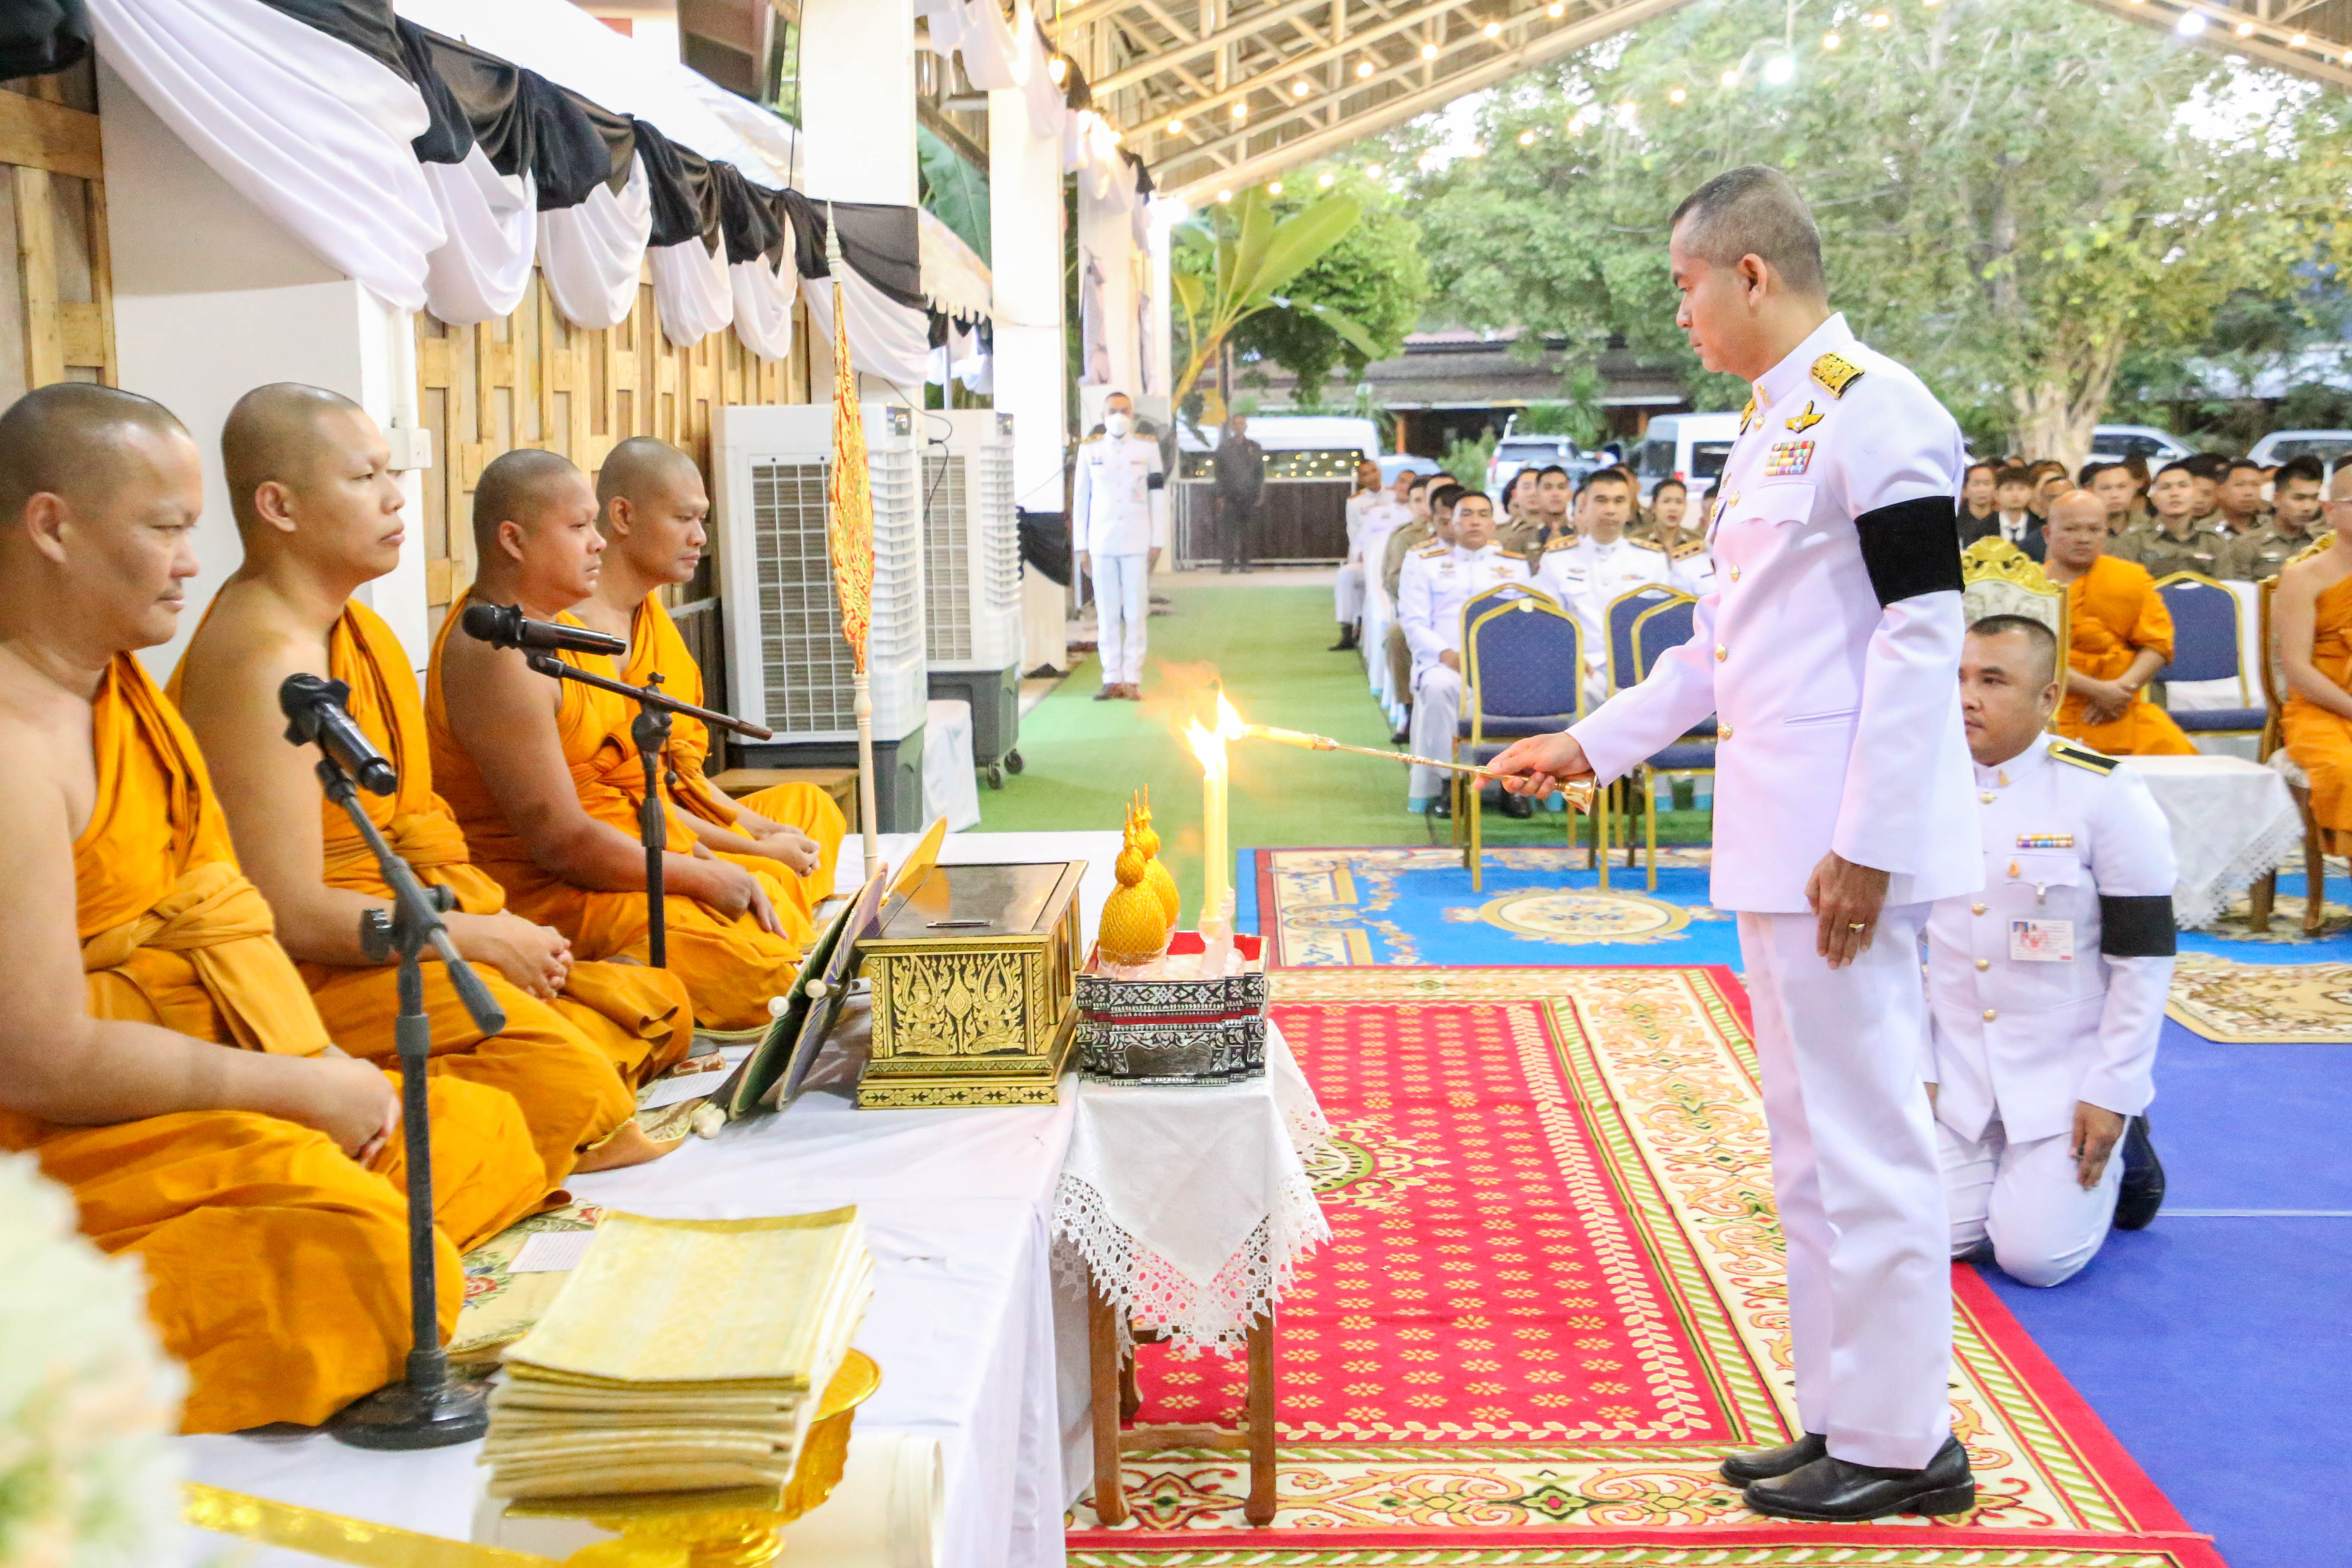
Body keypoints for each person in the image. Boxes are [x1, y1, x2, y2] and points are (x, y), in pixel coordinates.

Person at [1490, 166, 1980, 1521]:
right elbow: (1722, 650)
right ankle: (1849, 1415)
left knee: (1872, 1137)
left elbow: (1923, 629)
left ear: (1750, 273)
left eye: (1687, 284)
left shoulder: (1884, 411)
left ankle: (1904, 1445)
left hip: (1844, 846)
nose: (1684, 311)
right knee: (1809, 1146)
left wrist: (1870, 839)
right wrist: (1591, 743)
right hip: (1780, 836)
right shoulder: (1771, 428)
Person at [0, 382, 545, 1433]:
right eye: (164, 529)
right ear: (52, 527)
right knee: (382, 1268)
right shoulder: (18, 748)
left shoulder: (109, 694)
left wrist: (307, 1083)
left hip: (201, 1062)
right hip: (68, 1129)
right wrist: (297, 1086)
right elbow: (41, 1060)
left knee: (472, 1134)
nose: (192, 560)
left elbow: (213, 911)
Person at [171, 384, 688, 1185]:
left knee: (650, 1008)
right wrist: (473, 937)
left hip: (420, 914)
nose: (394, 496)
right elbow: (288, 912)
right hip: (328, 964)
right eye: (363, 479)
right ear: (278, 505)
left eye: (390, 472)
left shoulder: (358, 628)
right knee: (572, 1084)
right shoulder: (263, 658)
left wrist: (486, 928)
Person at [428, 449, 807, 1032]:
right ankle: (599, 988)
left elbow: (636, 787)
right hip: (545, 886)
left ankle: (634, 985)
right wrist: (706, 873)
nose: (598, 541)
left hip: (624, 853)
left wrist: (709, 857)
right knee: (762, 974)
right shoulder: (496, 657)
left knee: (765, 905)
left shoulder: (561, 635)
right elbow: (562, 843)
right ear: (513, 540)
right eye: (579, 527)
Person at [1927, 616, 2173, 1287]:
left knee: (2036, 1260)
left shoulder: (2102, 792)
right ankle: (2019, 1175)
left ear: (2050, 698)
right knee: (1922, 1236)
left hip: (2064, 1078)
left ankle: (2131, 1151)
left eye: (1993, 680)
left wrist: (2114, 1089)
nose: (1967, 697)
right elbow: (1897, 952)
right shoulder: (1921, 789)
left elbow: (2144, 959)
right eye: (1959, 678)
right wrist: (1918, 1066)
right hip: (1963, 1080)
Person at [576, 436, 846, 937]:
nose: (700, 537)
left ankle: (778, 911)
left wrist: (762, 827)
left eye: (703, 520)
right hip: (631, 846)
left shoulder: (650, 620)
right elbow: (625, 806)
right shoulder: (573, 632)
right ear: (622, 517)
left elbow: (681, 781)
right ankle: (778, 920)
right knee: (765, 886)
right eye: (684, 519)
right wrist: (758, 849)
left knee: (810, 809)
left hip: (678, 819)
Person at [1401, 490, 1531, 819]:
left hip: (1499, 662)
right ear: (1452, 523)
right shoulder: (1425, 563)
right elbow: (1414, 621)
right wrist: (1446, 654)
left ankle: (1509, 784)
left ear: (1493, 524)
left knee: (1521, 688)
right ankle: (1451, 781)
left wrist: (1501, 657)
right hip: (1445, 660)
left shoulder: (1513, 566)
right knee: (1438, 688)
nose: (1475, 521)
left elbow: (1524, 620)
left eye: (1483, 514)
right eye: (1467, 515)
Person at [2040, 490, 2196, 756]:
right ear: (2048, 534)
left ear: (2106, 533)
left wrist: (2121, 691)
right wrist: (2098, 691)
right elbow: (2029, 660)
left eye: (2094, 530)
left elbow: (2157, 645)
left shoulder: (2131, 578)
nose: (2083, 539)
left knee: (2181, 763)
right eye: (2071, 529)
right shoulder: (2030, 587)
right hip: (2052, 709)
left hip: (2122, 706)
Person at [1535, 468, 1672, 702]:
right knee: (1580, 692)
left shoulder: (1652, 559)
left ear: (1629, 509)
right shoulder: (1557, 560)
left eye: (1619, 501)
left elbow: (1659, 624)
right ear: (1584, 506)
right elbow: (1547, 622)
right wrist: (1570, 658)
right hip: (1582, 666)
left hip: (1637, 669)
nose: (1610, 509)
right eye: (1601, 501)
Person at [2273, 466, 2352, 851]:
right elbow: (2298, 670)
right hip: (2322, 710)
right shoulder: (2303, 577)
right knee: (2344, 769)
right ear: (2330, 510)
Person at [1074, 390, 1165, 700]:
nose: (1119, 416)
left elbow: (1158, 496)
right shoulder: (1090, 451)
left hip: (1137, 540)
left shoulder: (1148, 448)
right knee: (1107, 613)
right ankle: (1112, 677)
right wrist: (1081, 546)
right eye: (1113, 410)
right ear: (1102, 416)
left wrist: (1158, 540)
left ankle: (1133, 678)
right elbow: (1080, 500)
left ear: (1134, 414)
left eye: (1125, 410)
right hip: (1101, 541)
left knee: (1136, 612)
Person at [2114, 462, 2227, 579]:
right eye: (2165, 487)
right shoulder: (2134, 540)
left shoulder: (2214, 541)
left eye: (2183, 486)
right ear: (2153, 498)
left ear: (2196, 494)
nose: (2175, 493)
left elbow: (2227, 589)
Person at [2221, 454, 2325, 581]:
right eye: (2299, 498)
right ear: (2276, 499)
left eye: (2314, 498)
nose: (2307, 507)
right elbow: (2238, 594)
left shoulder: (2322, 544)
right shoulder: (2247, 545)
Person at [1331, 455, 1384, 646]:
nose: (1371, 476)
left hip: (1392, 560)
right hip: (1367, 557)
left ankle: (1363, 624)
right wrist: (1357, 555)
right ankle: (1347, 630)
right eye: (1365, 474)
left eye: (1373, 471)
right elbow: (1353, 533)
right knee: (1346, 575)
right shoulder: (1355, 503)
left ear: (1380, 472)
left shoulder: (1395, 497)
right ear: (1360, 480)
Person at [1211, 414, 1264, 577]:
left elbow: (1260, 473)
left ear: (1246, 426)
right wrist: (1220, 495)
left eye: (1243, 423)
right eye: (1237, 424)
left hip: (1249, 495)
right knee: (1229, 532)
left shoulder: (1255, 447)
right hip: (1230, 495)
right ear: (1233, 427)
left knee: (1247, 532)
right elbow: (1218, 473)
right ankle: (1227, 564)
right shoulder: (1224, 447)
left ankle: (1245, 564)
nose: (1240, 426)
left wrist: (1260, 492)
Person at [1958, 464, 2044, 560]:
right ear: (1996, 494)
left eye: (2021, 489)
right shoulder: (1980, 529)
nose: (2015, 494)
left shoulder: (2040, 527)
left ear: (2031, 493)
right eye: (2009, 489)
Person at [2080, 461, 2140, 540]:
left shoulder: (2148, 527)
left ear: (2134, 489)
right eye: (2106, 488)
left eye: (2122, 487)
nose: (2115, 495)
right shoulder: (2077, 530)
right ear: (2089, 491)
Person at [2213, 457, 2269, 539]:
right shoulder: (2204, 531)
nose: (2249, 493)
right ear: (2221, 490)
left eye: (2256, 485)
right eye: (2240, 485)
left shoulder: (2271, 527)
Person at [1958, 461, 1997, 529]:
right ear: (1965, 490)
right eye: (1976, 484)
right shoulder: (1955, 522)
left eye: (1987, 484)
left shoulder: (2003, 522)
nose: (1982, 490)